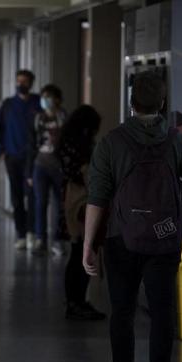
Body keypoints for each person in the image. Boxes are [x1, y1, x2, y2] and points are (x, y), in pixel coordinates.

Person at [83, 71, 182, 362]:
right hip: (164, 241)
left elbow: (97, 197)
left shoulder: (111, 142)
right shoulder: (178, 141)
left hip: (119, 239)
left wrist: (88, 246)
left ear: (131, 103)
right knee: (162, 310)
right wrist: (180, 218)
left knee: (122, 310)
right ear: (162, 103)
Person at [58, 105, 105, 321]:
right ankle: (76, 302)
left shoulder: (67, 141)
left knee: (78, 252)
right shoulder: (79, 146)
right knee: (81, 253)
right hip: (80, 200)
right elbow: (86, 174)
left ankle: (76, 301)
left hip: (72, 199)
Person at [0, 70, 42, 250]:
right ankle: (21, 234)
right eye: (19, 81)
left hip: (33, 159)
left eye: (25, 81)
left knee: (33, 195)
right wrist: (2, 152)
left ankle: (32, 233)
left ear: (31, 82)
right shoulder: (8, 105)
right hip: (12, 158)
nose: (21, 84)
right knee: (17, 198)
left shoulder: (38, 103)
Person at [28, 84, 67, 255]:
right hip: (40, 165)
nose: (45, 100)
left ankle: (59, 241)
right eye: (43, 97)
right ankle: (40, 239)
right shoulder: (39, 118)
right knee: (40, 202)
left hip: (59, 167)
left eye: (49, 97)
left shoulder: (64, 117)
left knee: (61, 204)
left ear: (57, 99)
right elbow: (31, 144)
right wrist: (29, 172)